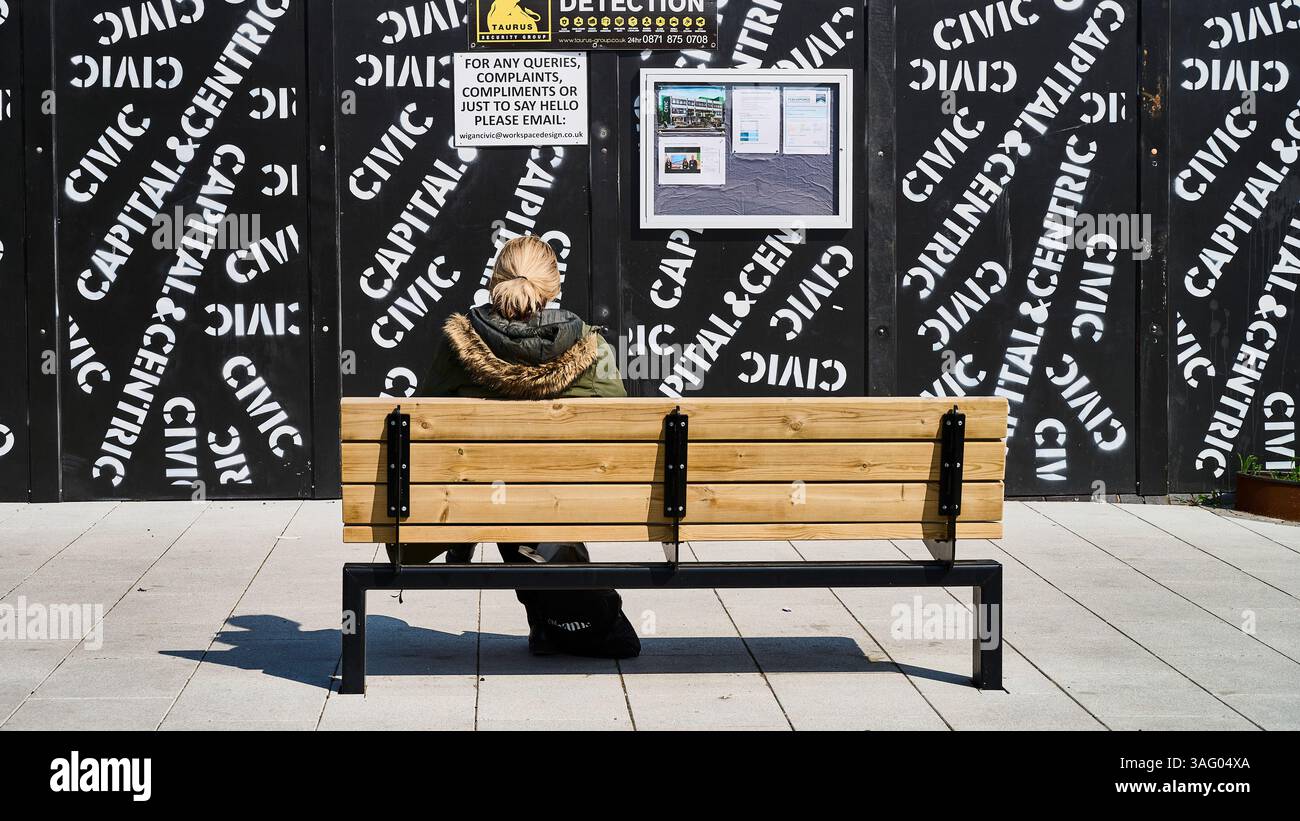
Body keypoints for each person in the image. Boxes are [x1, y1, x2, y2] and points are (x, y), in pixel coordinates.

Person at [413, 234, 629, 653]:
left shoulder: (455, 346)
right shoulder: (591, 346)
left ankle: (551, 617)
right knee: (533, 497)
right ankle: (567, 617)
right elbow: (619, 436)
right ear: (555, 289)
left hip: (478, 497)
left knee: (505, 486)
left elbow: (426, 435)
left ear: (495, 280)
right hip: (572, 497)